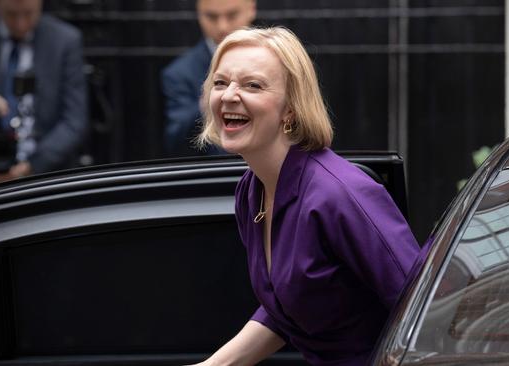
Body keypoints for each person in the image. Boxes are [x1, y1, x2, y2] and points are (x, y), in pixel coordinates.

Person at [193, 27, 423, 365]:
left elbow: (421, 312)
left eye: (252, 85)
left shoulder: (339, 195)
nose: (229, 96)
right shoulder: (250, 191)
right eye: (220, 82)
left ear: (290, 108)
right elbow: (284, 308)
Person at [0, 0, 88, 183]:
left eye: (29, 14)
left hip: (46, 176)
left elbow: (74, 121)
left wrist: (32, 166)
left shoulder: (65, 40)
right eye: (11, 14)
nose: (21, 24)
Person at [162, 0, 256, 157]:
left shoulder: (278, 62)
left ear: (251, 9)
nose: (222, 27)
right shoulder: (179, 73)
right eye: (211, 17)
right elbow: (175, 143)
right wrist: (204, 104)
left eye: (232, 15)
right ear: (199, 14)